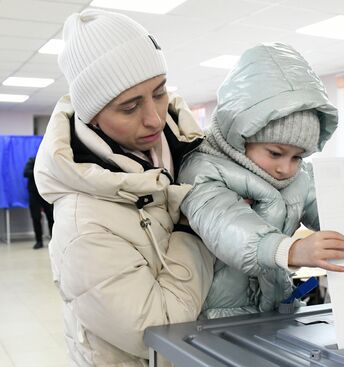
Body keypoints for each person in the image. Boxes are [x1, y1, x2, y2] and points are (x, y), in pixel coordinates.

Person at [177, 43, 344, 319]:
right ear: (240, 135)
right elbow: (226, 226)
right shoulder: (203, 169)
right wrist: (292, 249)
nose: (286, 168)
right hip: (215, 317)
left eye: (298, 157)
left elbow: (343, 218)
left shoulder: (301, 177)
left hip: (276, 311)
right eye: (275, 153)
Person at [34, 9, 215, 366]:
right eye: (129, 107)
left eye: (160, 92)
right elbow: (160, 333)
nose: (155, 118)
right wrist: (196, 226)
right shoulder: (83, 223)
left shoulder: (197, 155)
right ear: (93, 115)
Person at [23, 156, 54, 249]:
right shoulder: (32, 160)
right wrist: (39, 172)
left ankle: (54, 240)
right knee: (36, 217)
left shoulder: (48, 161)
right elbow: (25, 173)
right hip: (34, 194)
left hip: (46, 193)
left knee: (51, 217)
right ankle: (39, 241)